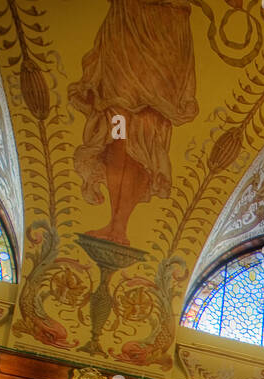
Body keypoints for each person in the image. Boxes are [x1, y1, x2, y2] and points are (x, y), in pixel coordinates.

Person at [68, 0, 198, 245]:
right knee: (117, 130)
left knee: (145, 131)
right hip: (128, 18)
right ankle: (114, 222)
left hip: (164, 26)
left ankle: (120, 225)